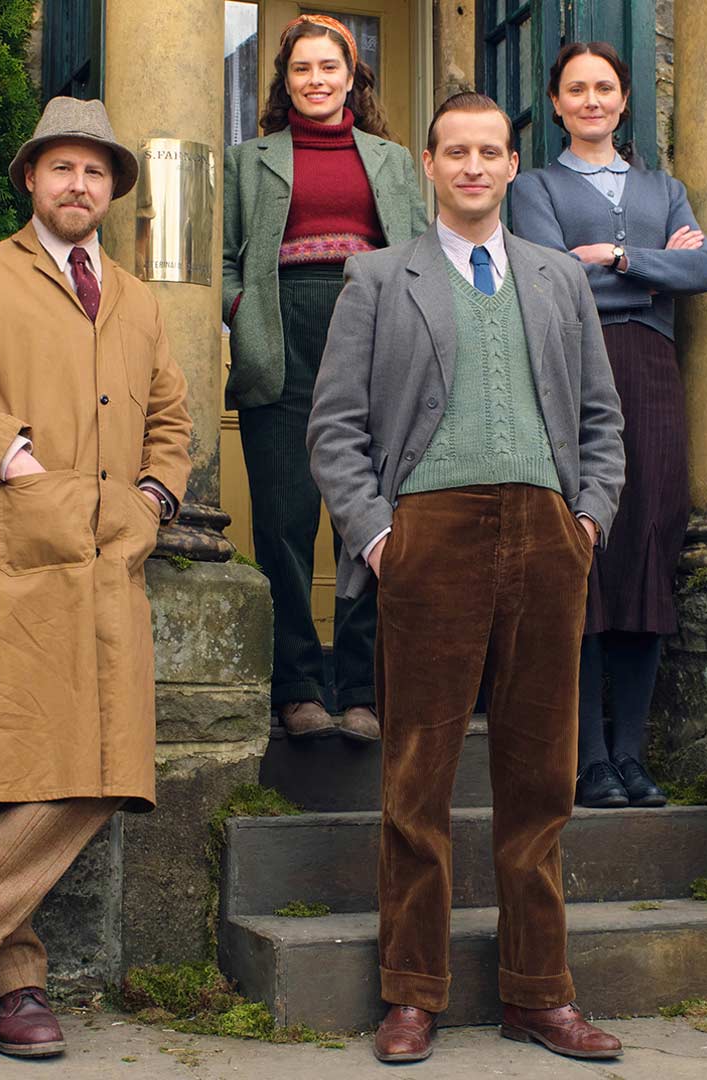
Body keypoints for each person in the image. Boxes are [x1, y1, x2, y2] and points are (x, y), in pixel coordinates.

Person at [308, 91, 626, 1064]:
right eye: (458, 151)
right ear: (432, 165)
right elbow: (335, 428)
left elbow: (601, 420)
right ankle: (411, 993)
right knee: (417, 779)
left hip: (544, 536)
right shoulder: (375, 277)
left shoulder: (556, 280)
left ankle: (540, 992)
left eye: (492, 151)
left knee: (540, 780)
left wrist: (587, 522)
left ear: (512, 166)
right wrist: (377, 537)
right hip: (428, 537)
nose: (476, 166)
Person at [0, 96, 192, 1059]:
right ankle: (13, 985)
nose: (79, 185)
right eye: (63, 168)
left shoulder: (139, 300)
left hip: (112, 555)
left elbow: (173, 424)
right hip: (12, 549)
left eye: (96, 173)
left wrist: (154, 500)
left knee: (110, 757)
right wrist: (13, 459)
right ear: (31, 178)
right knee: (9, 756)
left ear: (112, 193)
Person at [509, 42, 707, 810]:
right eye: (576, 89)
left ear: (624, 101)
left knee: (647, 547)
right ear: (557, 105)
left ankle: (631, 754)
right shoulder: (534, 186)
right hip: (575, 366)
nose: (591, 100)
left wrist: (621, 259)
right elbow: (553, 275)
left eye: (605, 88)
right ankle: (588, 758)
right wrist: (653, 263)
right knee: (582, 547)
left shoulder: (666, 188)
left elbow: (704, 272)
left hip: (654, 372)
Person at [223, 14, 428, 742]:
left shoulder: (394, 160)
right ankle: (298, 686)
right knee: (284, 521)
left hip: (373, 340)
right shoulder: (249, 161)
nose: (316, 80)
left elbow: (421, 255)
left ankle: (363, 689)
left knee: (367, 521)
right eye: (302, 68)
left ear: (352, 77)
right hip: (280, 340)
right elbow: (221, 260)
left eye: (329, 67)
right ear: (285, 80)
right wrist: (242, 310)